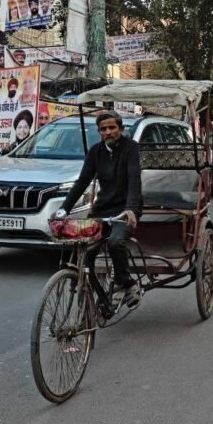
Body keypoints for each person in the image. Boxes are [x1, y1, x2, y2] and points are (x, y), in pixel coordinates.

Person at [55, 111, 143, 306]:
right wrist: (64, 209)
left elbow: (134, 179)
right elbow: (82, 181)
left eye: (112, 128)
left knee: (114, 243)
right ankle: (96, 294)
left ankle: (126, 282)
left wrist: (130, 208)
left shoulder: (131, 148)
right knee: (83, 250)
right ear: (99, 132)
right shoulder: (95, 151)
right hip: (103, 209)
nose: (108, 132)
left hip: (125, 209)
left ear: (120, 129)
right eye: (103, 129)